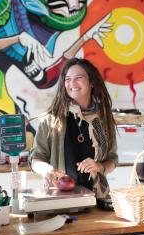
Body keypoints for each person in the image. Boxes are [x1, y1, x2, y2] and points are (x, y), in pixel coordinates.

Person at [30, 58, 117, 198]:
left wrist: (99, 167)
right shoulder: (51, 120)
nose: (72, 84)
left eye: (79, 78)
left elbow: (112, 159)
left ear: (92, 82)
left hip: (97, 198)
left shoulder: (103, 119)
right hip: (59, 199)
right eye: (68, 79)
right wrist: (46, 169)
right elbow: (35, 158)